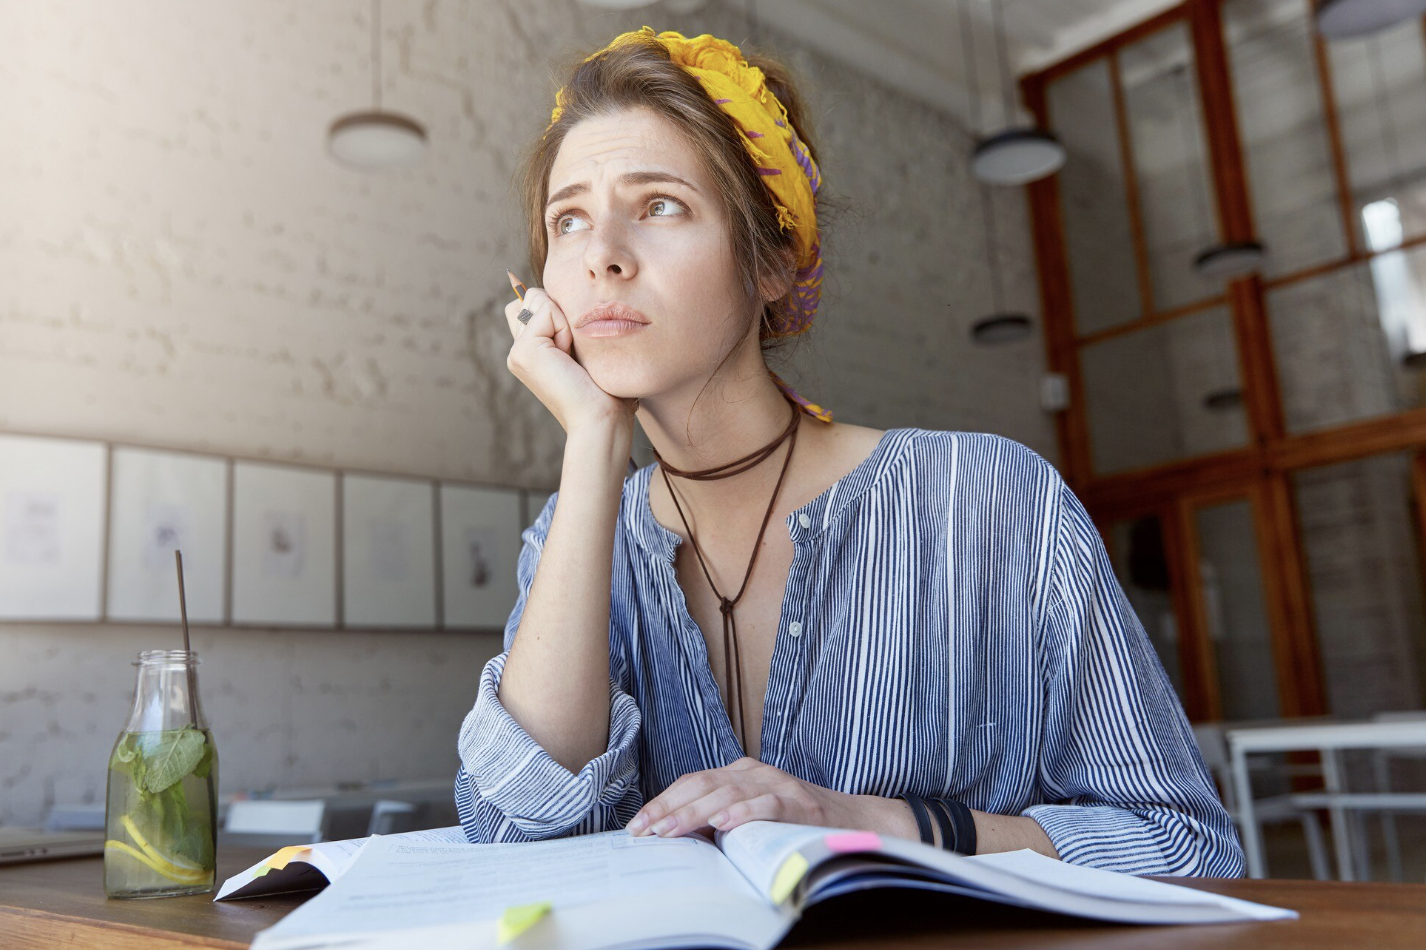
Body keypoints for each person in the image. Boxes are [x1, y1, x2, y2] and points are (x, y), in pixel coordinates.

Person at [454, 26, 1243, 876]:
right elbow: (512, 832)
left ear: (773, 263)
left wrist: (876, 822)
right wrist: (594, 448)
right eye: (567, 220)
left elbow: (1186, 845)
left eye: (659, 206)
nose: (601, 254)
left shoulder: (989, 500)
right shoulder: (573, 532)